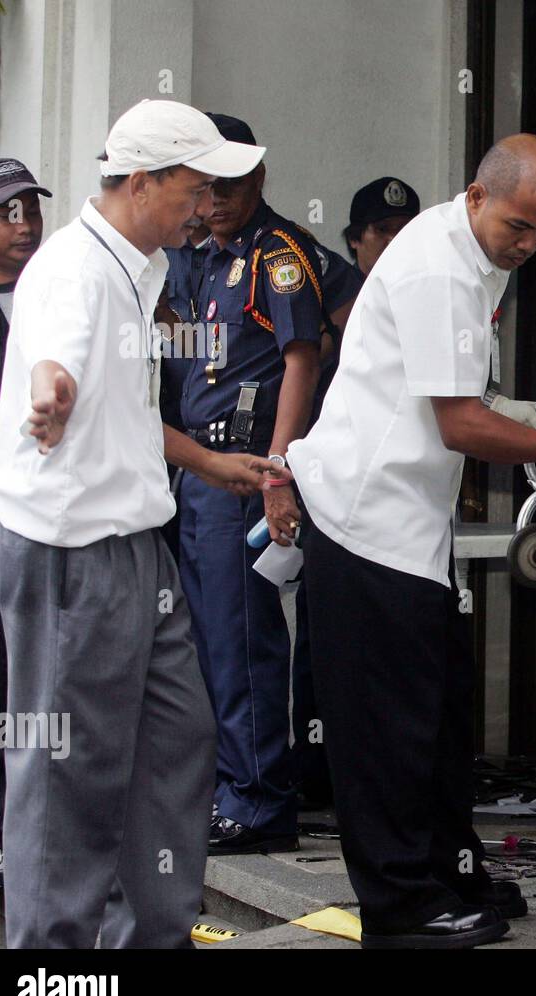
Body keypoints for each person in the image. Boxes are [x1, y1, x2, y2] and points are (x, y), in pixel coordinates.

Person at [287, 134, 536, 949]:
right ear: (477, 197)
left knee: (442, 714)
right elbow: (456, 424)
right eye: (519, 226)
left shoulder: (472, 255)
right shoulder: (441, 265)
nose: (528, 246)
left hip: (408, 521)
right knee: (390, 727)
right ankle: (402, 905)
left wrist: (515, 416)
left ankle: (451, 868)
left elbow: (452, 398)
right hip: (367, 516)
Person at [0, 98, 271, 947]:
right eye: (194, 187)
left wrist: (208, 463)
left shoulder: (140, 264)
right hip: (72, 553)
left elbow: (124, 411)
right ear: (141, 181)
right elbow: (55, 356)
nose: (207, 205)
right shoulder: (73, 270)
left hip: (137, 548)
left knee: (178, 742)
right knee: (67, 774)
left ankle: (147, 937)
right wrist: (49, 391)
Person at [160, 113, 348, 855]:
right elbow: (192, 353)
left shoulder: (277, 252)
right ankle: (226, 786)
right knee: (206, 642)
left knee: (244, 643)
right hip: (197, 471)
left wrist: (279, 474)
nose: (220, 200)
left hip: (245, 472)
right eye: (209, 187)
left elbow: (301, 359)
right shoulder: (204, 256)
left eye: (234, 184)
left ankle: (262, 801)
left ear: (259, 178)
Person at [0, 158, 50, 898]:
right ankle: (7, 837)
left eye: (31, 209)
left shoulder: (61, 296)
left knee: (75, 685)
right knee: (5, 686)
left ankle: (72, 835)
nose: (23, 225)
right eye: (5, 212)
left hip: (72, 520)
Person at [343, 176, 421, 275]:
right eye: (382, 229)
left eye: (404, 229)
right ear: (353, 239)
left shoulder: (430, 287)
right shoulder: (337, 289)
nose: (393, 239)